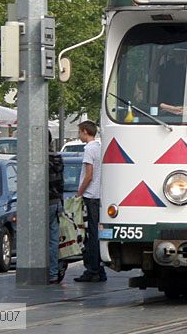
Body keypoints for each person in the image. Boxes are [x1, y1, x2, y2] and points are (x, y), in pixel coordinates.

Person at [74, 120, 105, 283]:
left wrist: (79, 193)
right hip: (99, 195)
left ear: (85, 131)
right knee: (96, 233)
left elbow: (89, 175)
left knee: (90, 234)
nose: (79, 135)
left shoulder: (88, 149)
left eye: (79, 132)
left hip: (90, 195)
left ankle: (92, 269)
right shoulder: (100, 148)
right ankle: (99, 269)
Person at [48, 152, 64, 284]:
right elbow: (61, 182)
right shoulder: (58, 159)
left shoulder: (41, 159)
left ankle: (43, 271)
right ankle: (53, 273)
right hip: (56, 201)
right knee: (54, 240)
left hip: (44, 203)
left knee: (39, 239)